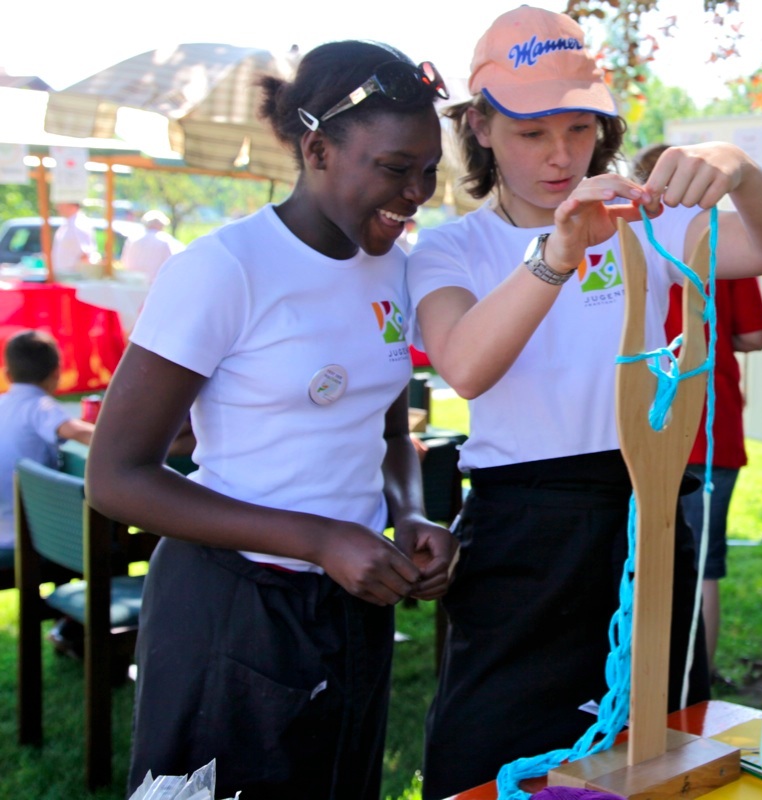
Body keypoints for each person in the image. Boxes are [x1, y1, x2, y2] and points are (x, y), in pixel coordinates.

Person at [407, 8, 762, 797]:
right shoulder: (454, 246)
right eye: (531, 133)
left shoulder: (645, 222)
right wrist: (558, 252)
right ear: (479, 127)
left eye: (579, 128)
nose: (560, 155)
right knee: (494, 752)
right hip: (522, 527)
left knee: (659, 745)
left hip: (644, 510)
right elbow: (465, 366)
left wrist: (739, 169)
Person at [84, 41, 456, 799]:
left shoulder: (394, 266)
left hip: (351, 601)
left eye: (428, 170)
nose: (416, 193)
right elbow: (116, 477)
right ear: (317, 150)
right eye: (395, 168)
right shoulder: (224, 269)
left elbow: (388, 431)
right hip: (232, 607)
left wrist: (410, 513)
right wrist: (318, 539)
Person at [635, 144, 762, 683]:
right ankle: (697, 678)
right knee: (703, 563)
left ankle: (659, 677)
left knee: (647, 554)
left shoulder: (634, 237)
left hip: (649, 416)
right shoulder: (719, 240)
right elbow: (754, 336)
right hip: (711, 420)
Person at [0, 329, 95, 552]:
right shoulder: (40, 407)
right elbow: (80, 433)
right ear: (57, 373)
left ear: (7, 375)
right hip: (30, 533)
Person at [121, 210, 185, 284]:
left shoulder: (133, 239)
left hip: (133, 282)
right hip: (155, 283)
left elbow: (125, 261)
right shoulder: (165, 240)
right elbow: (170, 263)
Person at [50, 202, 98, 274]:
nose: (57, 207)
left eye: (62, 203)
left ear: (72, 204)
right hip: (63, 275)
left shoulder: (79, 224)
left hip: (73, 276)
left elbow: (86, 255)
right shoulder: (68, 224)